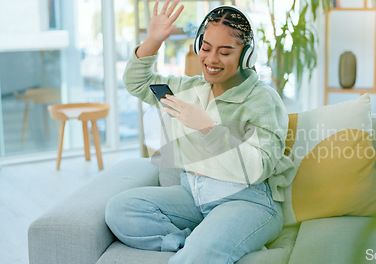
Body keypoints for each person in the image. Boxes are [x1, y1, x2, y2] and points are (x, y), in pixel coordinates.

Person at [105, 0, 296, 263]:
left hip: (246, 200)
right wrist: (154, 40)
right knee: (120, 209)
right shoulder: (189, 88)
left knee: (195, 258)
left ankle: (210, 244)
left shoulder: (263, 100)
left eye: (225, 52)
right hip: (192, 195)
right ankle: (195, 241)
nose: (211, 59)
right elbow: (137, 83)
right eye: (205, 48)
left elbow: (257, 168)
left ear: (246, 55)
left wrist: (207, 127)